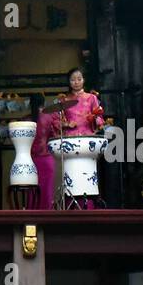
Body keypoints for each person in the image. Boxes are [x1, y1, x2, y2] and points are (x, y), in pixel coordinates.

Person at [39, 67, 105, 209]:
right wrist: (66, 124)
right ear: (69, 82)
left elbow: (100, 118)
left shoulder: (92, 98)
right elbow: (56, 121)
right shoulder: (64, 100)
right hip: (70, 138)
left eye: (79, 79)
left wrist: (94, 118)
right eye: (73, 79)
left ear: (84, 80)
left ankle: (91, 199)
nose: (76, 82)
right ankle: (70, 197)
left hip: (87, 138)